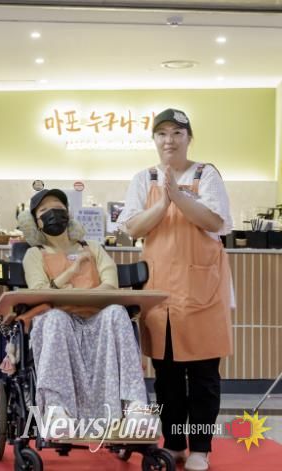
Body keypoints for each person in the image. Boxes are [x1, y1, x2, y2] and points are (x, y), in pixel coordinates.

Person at [118, 108, 233, 471]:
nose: (169, 140)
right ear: (155, 139)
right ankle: (174, 443)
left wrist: (179, 198)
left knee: (203, 375)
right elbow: (133, 228)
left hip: (202, 291)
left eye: (177, 133)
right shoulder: (143, 178)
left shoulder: (206, 174)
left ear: (188, 138)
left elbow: (215, 222)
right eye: (162, 133)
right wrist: (164, 201)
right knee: (166, 376)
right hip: (160, 293)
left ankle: (200, 447)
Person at [22, 189, 150, 428]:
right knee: (56, 317)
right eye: (44, 210)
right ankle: (57, 410)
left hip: (97, 318)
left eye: (58, 208)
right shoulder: (34, 255)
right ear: (36, 222)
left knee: (117, 312)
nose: (52, 213)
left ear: (68, 214)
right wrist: (72, 272)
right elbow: (39, 291)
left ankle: (135, 406)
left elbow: (110, 283)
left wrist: (75, 294)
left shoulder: (92, 248)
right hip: (58, 322)